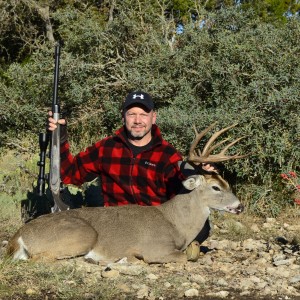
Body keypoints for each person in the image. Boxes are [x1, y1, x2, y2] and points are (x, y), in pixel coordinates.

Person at [48, 91, 215, 259]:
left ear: (153, 117)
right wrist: (60, 138)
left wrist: (202, 173)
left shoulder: (168, 155)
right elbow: (71, 174)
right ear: (123, 117)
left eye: (143, 114)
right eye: (132, 114)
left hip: (154, 228)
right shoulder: (106, 148)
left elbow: (183, 193)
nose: (137, 121)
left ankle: (177, 246)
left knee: (202, 226)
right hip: (117, 226)